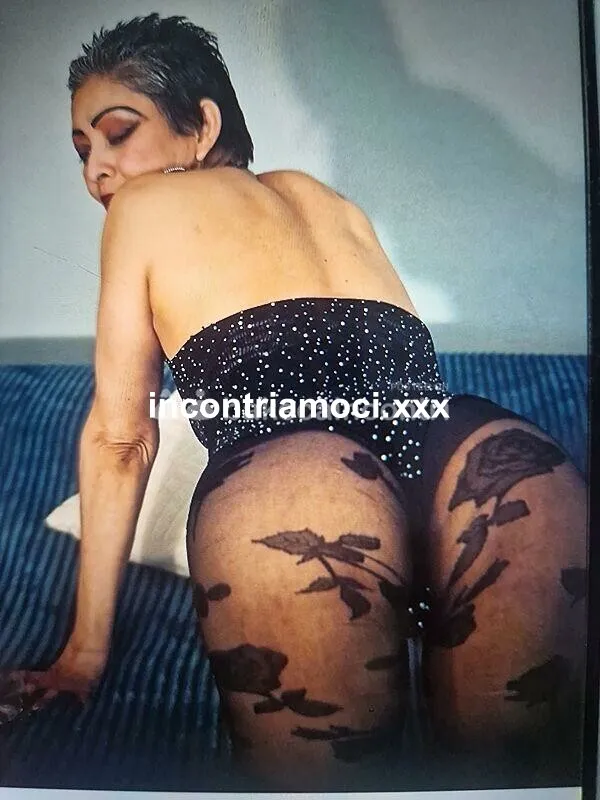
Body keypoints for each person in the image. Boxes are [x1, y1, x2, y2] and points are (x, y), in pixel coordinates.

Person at [8, 12, 587, 792]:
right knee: (509, 780)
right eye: (83, 151)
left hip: (302, 478)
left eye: (117, 134)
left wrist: (82, 655)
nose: (97, 171)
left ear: (202, 126)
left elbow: (121, 440)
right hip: (482, 458)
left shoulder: (146, 206)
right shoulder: (332, 202)